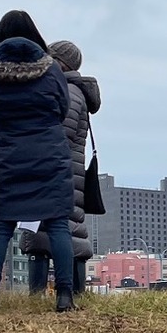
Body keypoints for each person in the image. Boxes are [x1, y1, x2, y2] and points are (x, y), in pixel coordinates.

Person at [0, 10, 75, 312]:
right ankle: (64, 297)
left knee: (1, 226)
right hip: (50, 154)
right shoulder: (52, 71)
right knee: (58, 225)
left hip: (9, 155)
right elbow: (62, 108)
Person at [18, 39, 100, 299]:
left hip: (54, 168)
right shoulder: (75, 92)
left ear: (59, 62)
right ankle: (74, 290)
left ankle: (43, 292)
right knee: (71, 227)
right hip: (70, 171)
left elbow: (58, 134)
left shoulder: (66, 92)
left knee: (44, 232)